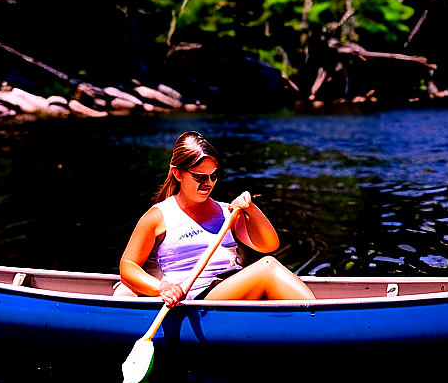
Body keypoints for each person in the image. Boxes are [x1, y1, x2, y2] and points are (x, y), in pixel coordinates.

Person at [119, 131, 316, 306]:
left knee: (268, 264)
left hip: (230, 288)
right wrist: (162, 287)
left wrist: (251, 209)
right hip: (194, 299)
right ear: (177, 173)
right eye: (200, 177)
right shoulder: (158, 216)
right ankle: (321, 323)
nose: (209, 183)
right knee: (268, 268)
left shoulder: (227, 213)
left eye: (214, 175)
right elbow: (128, 266)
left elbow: (268, 245)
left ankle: (316, 321)